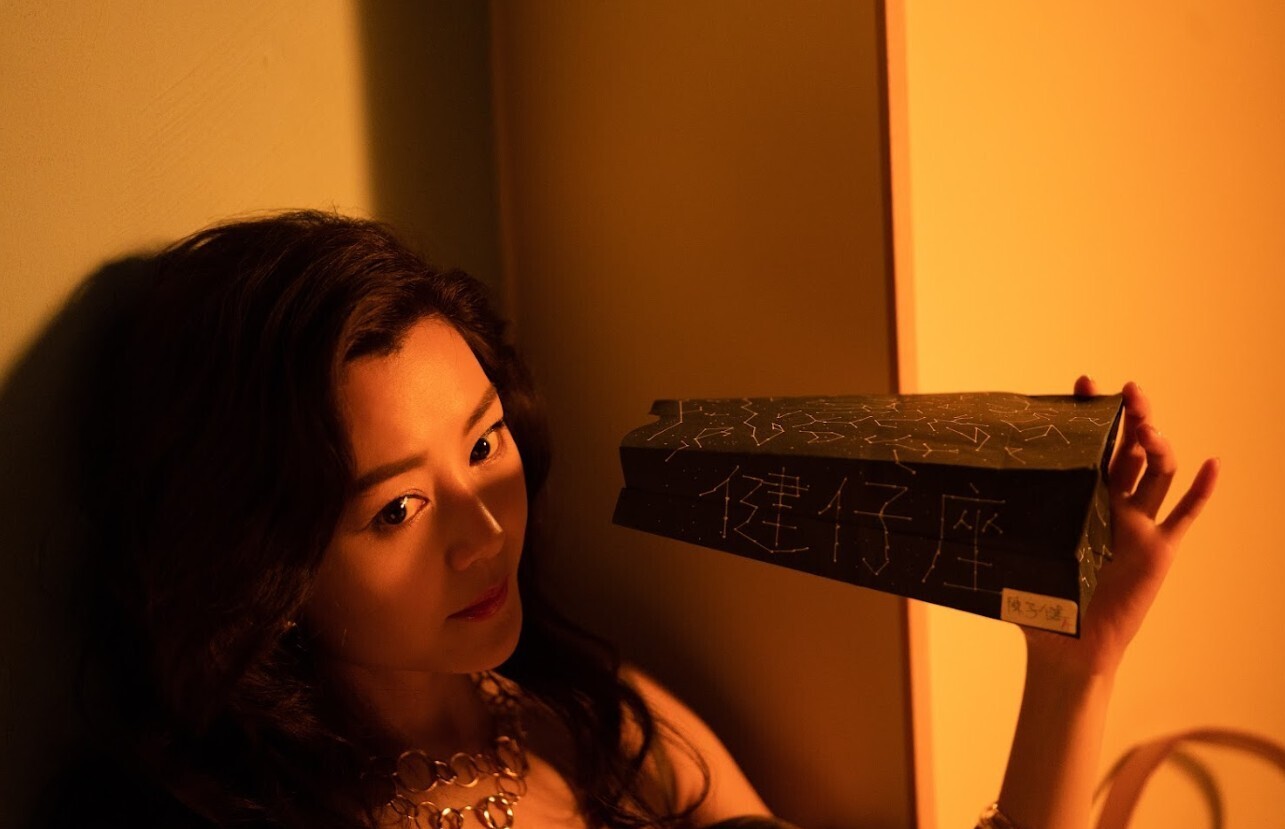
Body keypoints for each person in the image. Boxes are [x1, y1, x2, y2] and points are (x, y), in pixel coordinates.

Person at [70, 210, 1216, 829]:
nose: (483, 529)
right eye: (399, 508)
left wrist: (1073, 670)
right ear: (266, 567)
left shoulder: (589, 716)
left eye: (485, 444)